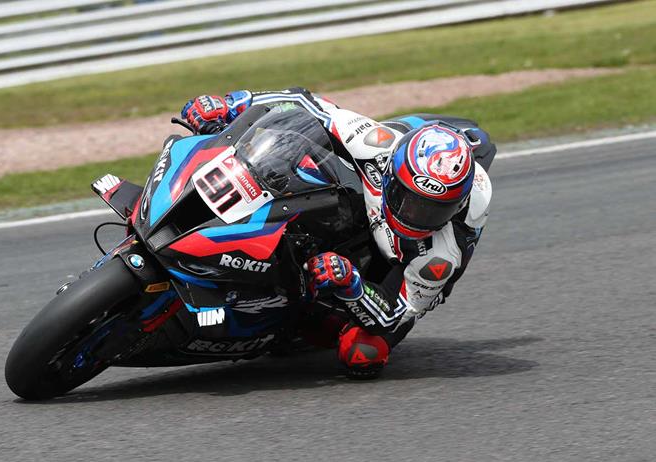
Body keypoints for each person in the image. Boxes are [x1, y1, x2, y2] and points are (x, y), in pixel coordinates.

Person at [181, 88, 494, 378]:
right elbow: (304, 102)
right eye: (408, 200)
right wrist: (233, 103)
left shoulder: (442, 254)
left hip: (398, 274)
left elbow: (392, 314)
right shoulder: (377, 145)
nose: (415, 215)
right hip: (379, 195)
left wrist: (352, 284)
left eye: (431, 210)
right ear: (392, 176)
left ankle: (300, 319)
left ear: (454, 208)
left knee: (362, 353)